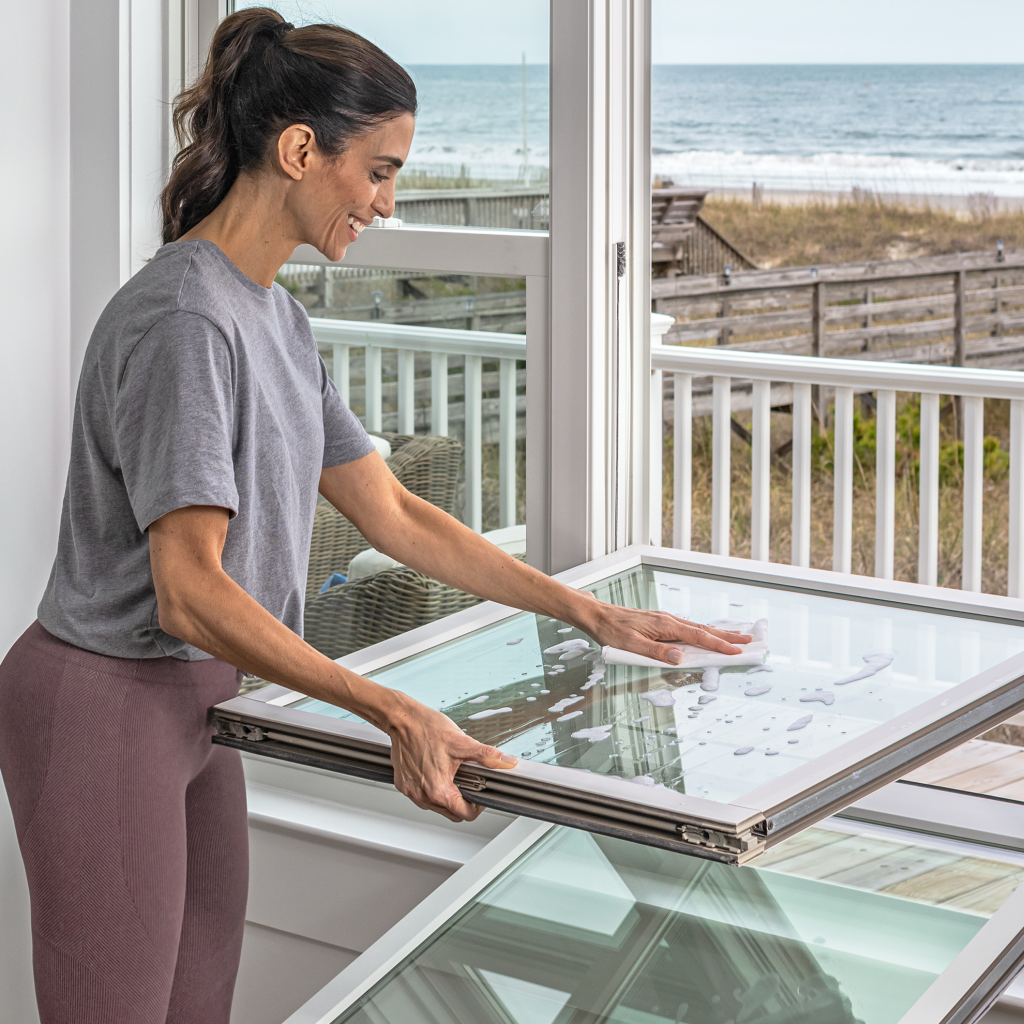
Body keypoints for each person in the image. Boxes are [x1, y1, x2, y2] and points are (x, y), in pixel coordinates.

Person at [0, 9, 750, 1024]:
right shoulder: (185, 320)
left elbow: (393, 511)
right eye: (379, 171)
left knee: (198, 1007)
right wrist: (392, 710)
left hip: (204, 702)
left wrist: (590, 612)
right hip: (104, 702)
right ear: (299, 150)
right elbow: (188, 591)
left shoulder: (276, 315)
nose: (387, 204)